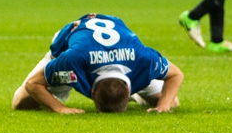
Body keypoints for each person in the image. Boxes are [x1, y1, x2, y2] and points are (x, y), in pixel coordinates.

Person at [12, 13, 183, 114]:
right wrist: (60, 108)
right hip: (71, 42)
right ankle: (132, 97)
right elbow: (32, 84)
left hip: (116, 45)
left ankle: (137, 96)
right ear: (90, 90)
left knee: (172, 101)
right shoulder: (71, 61)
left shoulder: (142, 58)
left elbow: (176, 75)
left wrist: (163, 106)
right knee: (20, 103)